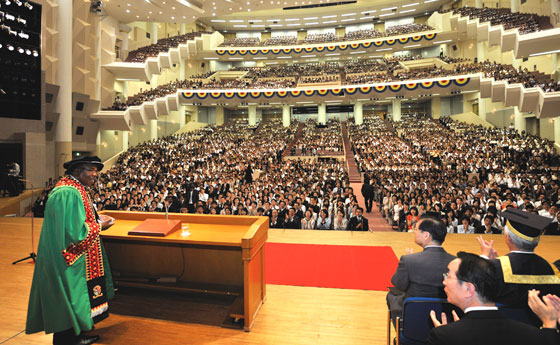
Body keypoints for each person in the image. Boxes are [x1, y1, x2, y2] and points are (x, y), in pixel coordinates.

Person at [26, 156, 115, 345]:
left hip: (63, 253)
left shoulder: (73, 188)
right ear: (76, 171)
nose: (95, 174)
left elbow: (73, 223)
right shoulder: (69, 192)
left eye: (96, 170)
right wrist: (100, 226)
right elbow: (75, 233)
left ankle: (75, 334)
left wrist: (96, 220)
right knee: (68, 296)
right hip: (67, 256)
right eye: (90, 170)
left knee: (71, 297)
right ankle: (68, 340)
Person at [428, 252, 560, 345]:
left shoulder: (443, 336)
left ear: (468, 289)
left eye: (448, 276)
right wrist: (549, 325)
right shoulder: (532, 334)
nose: (444, 281)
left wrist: (447, 336)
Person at [477, 208, 560, 309]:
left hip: (503, 323)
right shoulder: (553, 269)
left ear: (507, 238)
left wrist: (485, 257)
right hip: (541, 322)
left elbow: (473, 286)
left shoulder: (496, 267)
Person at [387, 215, 455, 323]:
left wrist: (408, 263)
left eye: (416, 229)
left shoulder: (408, 260)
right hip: (445, 319)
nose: (414, 231)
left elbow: (397, 283)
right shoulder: (456, 262)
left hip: (414, 320)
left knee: (391, 295)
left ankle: (400, 334)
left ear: (426, 235)